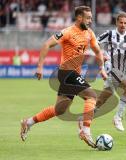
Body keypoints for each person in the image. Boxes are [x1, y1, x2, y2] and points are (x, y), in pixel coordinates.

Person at [20, 6, 107, 148]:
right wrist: (40, 67)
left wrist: (102, 68)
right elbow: (47, 44)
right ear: (79, 18)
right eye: (88, 18)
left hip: (73, 74)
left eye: (91, 18)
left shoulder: (89, 33)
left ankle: (28, 122)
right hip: (67, 73)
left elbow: (98, 51)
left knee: (59, 110)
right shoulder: (67, 32)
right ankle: (85, 130)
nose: (91, 20)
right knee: (91, 96)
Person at [95, 12, 126, 131]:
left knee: (102, 100)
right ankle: (118, 118)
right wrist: (102, 54)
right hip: (111, 68)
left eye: (125, 23)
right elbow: (94, 43)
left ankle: (86, 117)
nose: (123, 25)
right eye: (121, 22)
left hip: (122, 70)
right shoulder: (109, 34)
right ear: (116, 23)